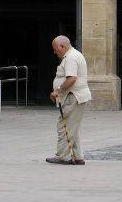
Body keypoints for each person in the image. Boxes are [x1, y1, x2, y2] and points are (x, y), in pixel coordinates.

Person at [47, 35, 90, 166]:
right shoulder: (74, 55)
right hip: (76, 97)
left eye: (55, 49)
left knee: (64, 127)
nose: (54, 52)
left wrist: (57, 90)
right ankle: (77, 156)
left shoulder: (71, 57)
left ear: (63, 46)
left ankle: (62, 156)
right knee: (72, 128)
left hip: (73, 97)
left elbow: (71, 78)